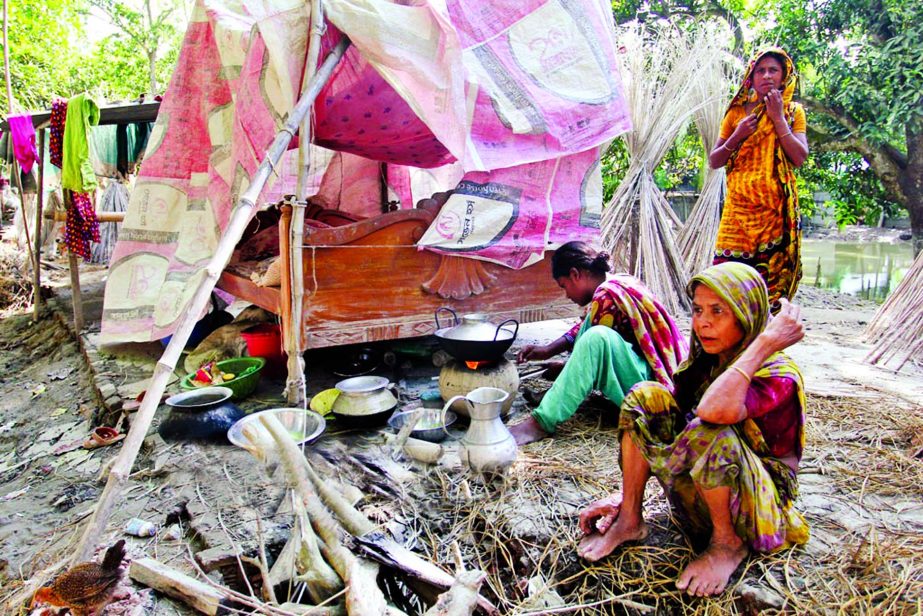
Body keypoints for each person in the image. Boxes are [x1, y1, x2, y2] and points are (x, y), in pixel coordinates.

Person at [577, 262, 809, 597]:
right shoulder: (708, 361)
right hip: (706, 495)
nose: (703, 322)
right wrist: (625, 495)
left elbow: (713, 413)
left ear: (748, 314)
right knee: (646, 398)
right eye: (698, 310)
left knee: (710, 429)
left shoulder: (777, 373)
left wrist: (765, 342)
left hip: (757, 511)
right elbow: (676, 429)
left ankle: (727, 545)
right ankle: (629, 518)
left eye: (719, 311)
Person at [509, 241, 687, 445]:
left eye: (564, 286)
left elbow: (594, 350)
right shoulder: (616, 283)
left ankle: (540, 423)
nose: (566, 295)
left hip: (657, 394)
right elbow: (587, 324)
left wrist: (567, 368)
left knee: (597, 338)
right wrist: (548, 350)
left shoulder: (606, 295)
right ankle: (554, 396)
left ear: (576, 274)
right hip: (650, 376)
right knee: (594, 334)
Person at [709, 48, 809, 312]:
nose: (766, 76)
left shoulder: (793, 113)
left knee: (769, 288)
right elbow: (715, 160)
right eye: (760, 70)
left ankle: (763, 343)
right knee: (727, 282)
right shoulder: (736, 114)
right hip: (737, 211)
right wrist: (737, 135)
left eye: (773, 70)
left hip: (774, 213)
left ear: (784, 76)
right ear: (750, 79)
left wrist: (777, 118)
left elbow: (799, 157)